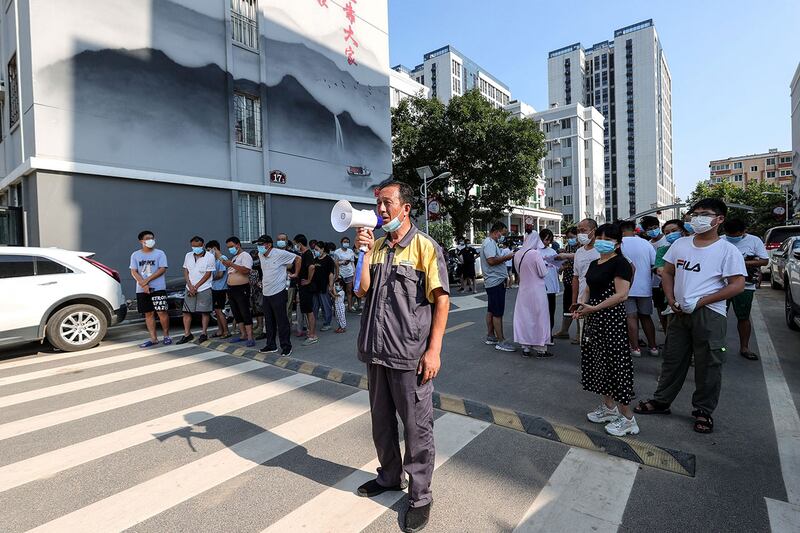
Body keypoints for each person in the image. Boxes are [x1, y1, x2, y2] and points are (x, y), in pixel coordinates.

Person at [354, 180, 449, 533]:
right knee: (381, 424)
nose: (380, 209)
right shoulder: (376, 246)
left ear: (405, 208)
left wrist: (434, 350)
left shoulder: (425, 248)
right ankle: (390, 477)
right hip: (376, 353)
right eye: (378, 203)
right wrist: (362, 252)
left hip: (410, 356)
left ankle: (420, 496)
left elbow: (441, 299)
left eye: (387, 203)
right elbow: (362, 290)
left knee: (417, 429)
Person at [635, 198, 746, 434]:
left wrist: (702, 301)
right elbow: (667, 273)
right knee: (673, 360)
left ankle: (703, 411)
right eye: (694, 213)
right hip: (678, 312)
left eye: (704, 213)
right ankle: (661, 401)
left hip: (709, 314)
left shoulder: (727, 250)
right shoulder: (681, 245)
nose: (697, 218)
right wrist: (671, 299)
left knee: (708, 365)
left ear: (719, 219)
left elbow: (736, 285)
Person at [573, 223, 636, 436]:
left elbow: (622, 295)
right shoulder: (594, 263)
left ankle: (628, 419)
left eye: (608, 239)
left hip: (611, 321)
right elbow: (588, 288)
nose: (602, 241)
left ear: (618, 243)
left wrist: (594, 308)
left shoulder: (621, 264)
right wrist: (581, 306)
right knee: (599, 365)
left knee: (616, 367)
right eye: (599, 237)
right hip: (594, 320)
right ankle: (609, 409)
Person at [722, 218, 769, 360]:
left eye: (736, 235)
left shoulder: (754, 241)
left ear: (743, 232)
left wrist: (743, 262)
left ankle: (744, 347)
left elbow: (764, 260)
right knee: (718, 318)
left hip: (745, 285)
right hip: (721, 285)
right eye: (730, 235)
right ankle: (718, 347)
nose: (732, 237)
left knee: (743, 317)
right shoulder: (720, 240)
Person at [255, 235, 300, 356]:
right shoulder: (261, 255)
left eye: (261, 244)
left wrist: (295, 273)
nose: (259, 247)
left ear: (268, 245)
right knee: (269, 321)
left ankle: (286, 346)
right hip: (266, 292)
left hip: (278, 292)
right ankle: (271, 345)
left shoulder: (279, 253)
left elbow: (298, 258)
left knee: (282, 321)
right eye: (258, 245)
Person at [619, 221, 658, 357]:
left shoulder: (619, 244)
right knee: (646, 317)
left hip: (625, 287)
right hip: (645, 287)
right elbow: (655, 264)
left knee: (631, 317)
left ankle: (635, 348)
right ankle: (653, 347)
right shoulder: (646, 243)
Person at [513, 231, 552, 357]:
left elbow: (518, 271)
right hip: (537, 291)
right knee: (540, 318)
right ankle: (541, 348)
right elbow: (543, 273)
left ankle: (525, 347)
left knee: (525, 318)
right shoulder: (535, 254)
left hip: (523, 290)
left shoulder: (518, 253)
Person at [130, 230, 171, 348]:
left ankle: (166, 336)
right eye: (148, 238)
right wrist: (143, 285)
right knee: (148, 314)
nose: (151, 240)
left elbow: (162, 269)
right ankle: (153, 338)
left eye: (152, 238)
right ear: (141, 241)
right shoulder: (135, 255)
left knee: (161, 312)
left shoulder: (160, 253)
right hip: (142, 289)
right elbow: (133, 271)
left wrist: (146, 281)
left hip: (158, 288)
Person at [480, 221, 517, 352]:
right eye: (503, 233)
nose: (503, 236)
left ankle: (491, 336)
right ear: (497, 231)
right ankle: (501, 341)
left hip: (494, 281)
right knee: (497, 313)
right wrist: (507, 257)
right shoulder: (489, 243)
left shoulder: (491, 243)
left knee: (491, 310)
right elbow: (491, 261)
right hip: (494, 282)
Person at [177, 236, 216, 344]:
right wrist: (190, 285)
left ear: (203, 245)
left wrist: (196, 286)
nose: (195, 248)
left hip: (204, 288)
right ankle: (187, 334)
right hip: (189, 288)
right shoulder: (188, 255)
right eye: (193, 246)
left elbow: (208, 274)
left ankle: (204, 333)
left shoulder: (209, 257)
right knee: (186, 311)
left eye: (198, 246)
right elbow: (185, 270)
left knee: (204, 312)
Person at [653, 220, 688, 330]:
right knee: (672, 326)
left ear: (682, 231)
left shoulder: (693, 248)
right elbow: (660, 271)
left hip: (692, 294)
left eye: (674, 231)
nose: (671, 234)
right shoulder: (663, 250)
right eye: (667, 233)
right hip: (669, 295)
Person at [221, 237, 255, 347]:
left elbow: (246, 270)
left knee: (244, 311)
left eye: (231, 246)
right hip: (232, 289)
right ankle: (243, 334)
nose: (230, 249)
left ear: (238, 245)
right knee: (236, 313)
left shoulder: (245, 256)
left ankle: (250, 336)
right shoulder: (235, 257)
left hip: (241, 288)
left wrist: (231, 264)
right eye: (228, 247)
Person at [570, 219, 600, 345]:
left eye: (583, 230)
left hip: (601, 299)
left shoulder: (604, 249)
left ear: (594, 231)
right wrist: (574, 301)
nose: (580, 234)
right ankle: (588, 362)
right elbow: (576, 277)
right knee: (585, 336)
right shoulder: (579, 252)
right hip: (583, 299)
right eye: (578, 231)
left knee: (600, 334)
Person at [554, 227, 578, 339]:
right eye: (568, 238)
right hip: (568, 281)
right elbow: (566, 263)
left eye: (571, 237)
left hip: (578, 282)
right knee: (567, 307)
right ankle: (564, 331)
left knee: (578, 307)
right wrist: (561, 266)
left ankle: (579, 333)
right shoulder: (568, 247)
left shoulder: (582, 248)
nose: (569, 239)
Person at [294, 234, 319, 346]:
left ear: (299, 243)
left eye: (295, 243)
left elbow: (312, 267)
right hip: (303, 286)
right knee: (306, 310)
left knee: (309, 311)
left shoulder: (307, 253)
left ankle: (313, 335)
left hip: (307, 287)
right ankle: (310, 333)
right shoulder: (302, 254)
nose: (295, 246)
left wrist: (308, 280)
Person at [539, 229, 560, 346]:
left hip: (551, 286)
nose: (547, 242)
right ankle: (541, 336)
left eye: (549, 240)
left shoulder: (552, 251)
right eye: (546, 239)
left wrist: (562, 265)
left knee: (551, 312)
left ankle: (549, 334)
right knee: (541, 313)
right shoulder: (535, 252)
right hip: (540, 286)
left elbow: (557, 268)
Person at [205, 240, 230, 339]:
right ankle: (220, 330)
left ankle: (226, 331)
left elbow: (220, 274)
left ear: (214, 249)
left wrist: (210, 278)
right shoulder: (214, 260)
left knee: (219, 311)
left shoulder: (222, 259)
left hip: (221, 289)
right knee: (216, 311)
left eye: (208, 250)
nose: (207, 252)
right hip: (214, 288)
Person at [312, 241, 336, 332]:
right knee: (315, 306)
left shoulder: (329, 260)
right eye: (314, 250)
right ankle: (312, 322)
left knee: (326, 305)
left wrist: (330, 285)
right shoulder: (316, 259)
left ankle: (327, 323)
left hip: (324, 286)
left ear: (322, 249)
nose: (315, 251)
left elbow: (331, 273)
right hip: (315, 287)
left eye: (317, 249)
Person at [334, 236, 358, 312]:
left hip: (349, 273)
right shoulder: (337, 252)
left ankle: (350, 307)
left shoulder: (351, 251)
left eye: (347, 242)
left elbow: (352, 263)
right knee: (338, 291)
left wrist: (354, 273)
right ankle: (337, 307)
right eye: (344, 242)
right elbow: (335, 263)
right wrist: (342, 262)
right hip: (340, 273)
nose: (346, 243)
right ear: (341, 243)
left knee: (349, 291)